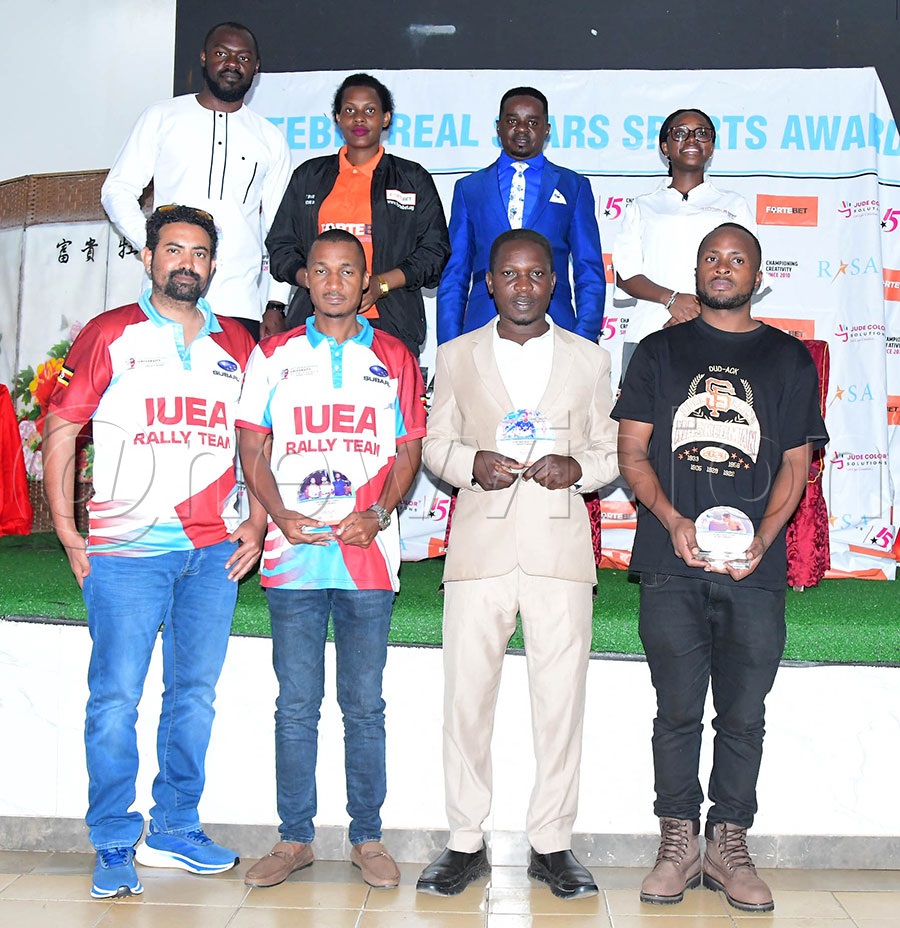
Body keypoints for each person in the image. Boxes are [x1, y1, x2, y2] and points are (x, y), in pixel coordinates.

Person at [42, 204, 265, 900]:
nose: (186, 264)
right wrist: (66, 529)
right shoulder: (111, 332)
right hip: (125, 551)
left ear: (213, 264)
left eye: (199, 253)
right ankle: (114, 838)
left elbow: (257, 441)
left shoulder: (239, 343)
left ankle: (175, 826)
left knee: (193, 697)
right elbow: (60, 427)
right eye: (173, 250)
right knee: (115, 699)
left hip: (211, 554)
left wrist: (257, 523)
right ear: (148, 257)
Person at [613, 224, 827, 913]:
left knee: (742, 714)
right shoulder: (658, 350)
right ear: (697, 268)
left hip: (753, 572)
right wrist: (673, 523)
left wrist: (765, 537)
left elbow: (796, 465)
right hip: (671, 564)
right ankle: (677, 842)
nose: (723, 268)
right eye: (712, 258)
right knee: (676, 711)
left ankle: (728, 842)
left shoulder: (788, 360)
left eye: (737, 259)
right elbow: (632, 452)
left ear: (757, 275)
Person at [417, 229, 618, 899]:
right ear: (490, 283)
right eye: (510, 275)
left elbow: (613, 451)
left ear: (553, 282)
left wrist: (579, 469)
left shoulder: (590, 359)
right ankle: (465, 842)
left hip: (560, 554)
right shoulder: (455, 356)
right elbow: (435, 443)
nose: (524, 286)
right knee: (466, 702)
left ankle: (552, 844)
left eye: (536, 275)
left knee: (560, 705)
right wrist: (469, 463)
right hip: (479, 553)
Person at [237, 229, 426, 890]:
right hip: (293, 559)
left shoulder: (397, 356)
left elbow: (408, 451)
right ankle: (294, 839)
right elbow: (252, 445)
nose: (336, 282)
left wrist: (381, 514)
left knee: (363, 704)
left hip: (367, 560)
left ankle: (366, 838)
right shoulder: (274, 355)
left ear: (364, 278)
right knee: (295, 704)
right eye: (322, 271)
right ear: (306, 280)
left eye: (348, 271)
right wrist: (277, 514)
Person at [102, 21, 292, 340]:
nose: (232, 63)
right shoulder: (163, 117)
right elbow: (117, 190)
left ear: (256, 67)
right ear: (204, 57)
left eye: (244, 58)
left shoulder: (270, 139)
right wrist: (152, 245)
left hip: (239, 302)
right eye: (222, 53)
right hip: (166, 295)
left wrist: (276, 302)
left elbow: (282, 231)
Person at [266, 73, 450, 357]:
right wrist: (315, 282)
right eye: (350, 110)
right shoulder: (308, 176)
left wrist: (381, 285)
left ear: (386, 118)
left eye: (370, 110)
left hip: (391, 326)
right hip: (315, 325)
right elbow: (280, 248)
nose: (359, 118)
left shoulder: (412, 178)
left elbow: (434, 253)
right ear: (337, 118)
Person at [436, 87, 605, 346]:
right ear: (498, 127)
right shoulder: (470, 188)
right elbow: (455, 273)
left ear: (546, 129)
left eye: (533, 122)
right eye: (513, 121)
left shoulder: (574, 186)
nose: (522, 129)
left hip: (557, 326)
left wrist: (583, 341)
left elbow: (589, 270)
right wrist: (448, 346)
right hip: (481, 327)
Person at [613, 108, 758, 377]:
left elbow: (748, 273)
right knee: (641, 417)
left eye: (702, 133)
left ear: (711, 147)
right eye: (680, 133)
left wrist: (700, 312)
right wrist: (672, 300)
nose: (692, 139)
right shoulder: (643, 206)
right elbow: (625, 275)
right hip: (649, 330)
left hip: (716, 332)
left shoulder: (734, 205)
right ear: (665, 147)